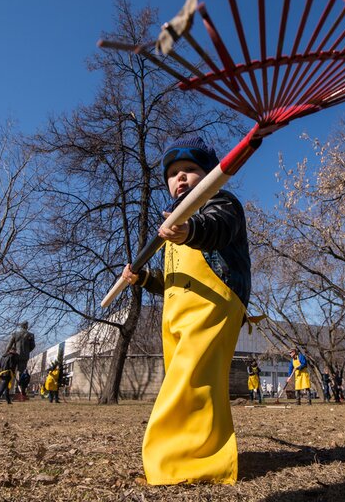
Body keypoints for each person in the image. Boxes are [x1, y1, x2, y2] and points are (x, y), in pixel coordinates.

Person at [121, 136, 251, 485]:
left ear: (209, 175)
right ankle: (205, 450)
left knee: (191, 378)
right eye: (173, 172)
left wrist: (191, 229)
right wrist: (143, 277)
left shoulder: (220, 203)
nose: (180, 177)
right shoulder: (171, 227)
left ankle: (182, 460)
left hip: (215, 301)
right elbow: (171, 279)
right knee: (190, 377)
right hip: (177, 311)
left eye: (190, 170)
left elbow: (217, 230)